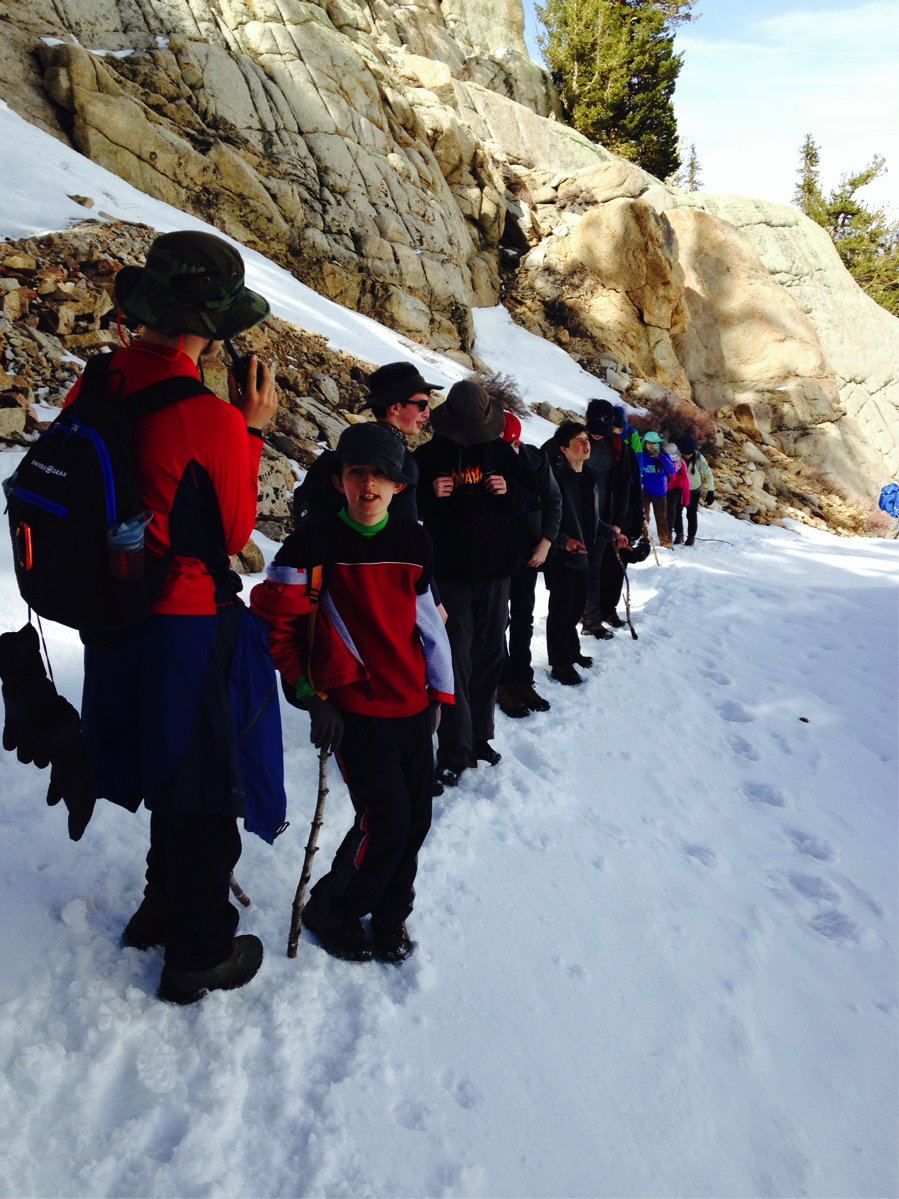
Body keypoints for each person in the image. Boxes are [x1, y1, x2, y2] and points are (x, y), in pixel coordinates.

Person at [70, 230, 283, 1005]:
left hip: (114, 613)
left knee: (169, 766)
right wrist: (250, 428)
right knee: (203, 784)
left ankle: (160, 910)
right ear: (211, 328)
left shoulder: (101, 380)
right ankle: (198, 948)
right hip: (185, 620)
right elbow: (230, 532)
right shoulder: (206, 416)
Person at [251, 423, 453, 963]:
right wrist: (311, 697)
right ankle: (333, 907)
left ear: (399, 486)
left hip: (413, 704)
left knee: (414, 820)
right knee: (383, 817)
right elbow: (277, 627)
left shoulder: (416, 543)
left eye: (381, 476)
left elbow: (428, 622)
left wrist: (440, 692)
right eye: (357, 473)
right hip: (355, 708)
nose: (369, 486)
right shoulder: (311, 544)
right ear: (339, 480)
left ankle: (391, 914)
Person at [415, 380, 537, 789]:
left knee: (488, 658)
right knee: (453, 661)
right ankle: (453, 750)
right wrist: (429, 494)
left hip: (496, 572)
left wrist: (508, 491)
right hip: (448, 575)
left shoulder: (501, 452)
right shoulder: (429, 456)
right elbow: (402, 506)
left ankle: (479, 738)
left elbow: (530, 498)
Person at [293, 360, 442, 526]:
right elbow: (405, 532)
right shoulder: (400, 460)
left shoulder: (354, 444)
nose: (427, 414)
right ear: (395, 407)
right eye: (422, 405)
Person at [543, 423, 627, 685]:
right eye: (578, 441)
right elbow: (544, 521)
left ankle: (572, 652)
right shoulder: (555, 478)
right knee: (561, 611)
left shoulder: (589, 477)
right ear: (564, 449)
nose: (586, 444)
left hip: (584, 557)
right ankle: (560, 663)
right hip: (561, 557)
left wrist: (612, 533)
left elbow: (593, 520)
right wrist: (564, 542)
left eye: (586, 439)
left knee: (576, 608)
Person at [495, 411, 562, 719]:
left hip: (529, 551)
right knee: (497, 622)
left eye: (507, 445)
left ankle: (523, 680)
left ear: (517, 441)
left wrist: (546, 542)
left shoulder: (536, 460)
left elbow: (553, 499)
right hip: (494, 556)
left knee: (523, 618)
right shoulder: (484, 459)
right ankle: (502, 682)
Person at [579, 398, 639, 639]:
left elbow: (626, 487)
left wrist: (618, 522)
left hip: (605, 518)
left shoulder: (619, 448)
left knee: (605, 567)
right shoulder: (574, 440)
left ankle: (599, 613)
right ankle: (589, 617)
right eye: (594, 429)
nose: (597, 436)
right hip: (577, 516)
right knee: (586, 568)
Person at [639, 431, 675, 548]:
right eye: (649, 443)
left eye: (655, 443)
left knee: (661, 517)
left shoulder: (665, 456)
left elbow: (672, 471)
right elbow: (638, 471)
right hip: (645, 491)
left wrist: (661, 457)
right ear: (645, 444)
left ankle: (665, 541)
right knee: (645, 516)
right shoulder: (642, 456)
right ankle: (644, 538)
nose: (652, 445)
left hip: (660, 492)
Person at [679, 437, 715, 546]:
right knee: (676, 513)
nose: (686, 456)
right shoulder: (678, 457)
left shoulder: (700, 458)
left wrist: (711, 491)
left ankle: (691, 537)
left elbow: (708, 474)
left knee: (691, 514)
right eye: (685, 454)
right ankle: (679, 534)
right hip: (680, 489)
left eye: (689, 454)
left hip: (694, 490)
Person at [664, 441, 691, 545]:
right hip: (664, 489)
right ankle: (675, 534)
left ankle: (671, 535)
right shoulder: (662, 462)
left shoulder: (681, 465)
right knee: (670, 512)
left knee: (672, 511)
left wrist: (686, 500)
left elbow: (686, 483)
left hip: (675, 489)